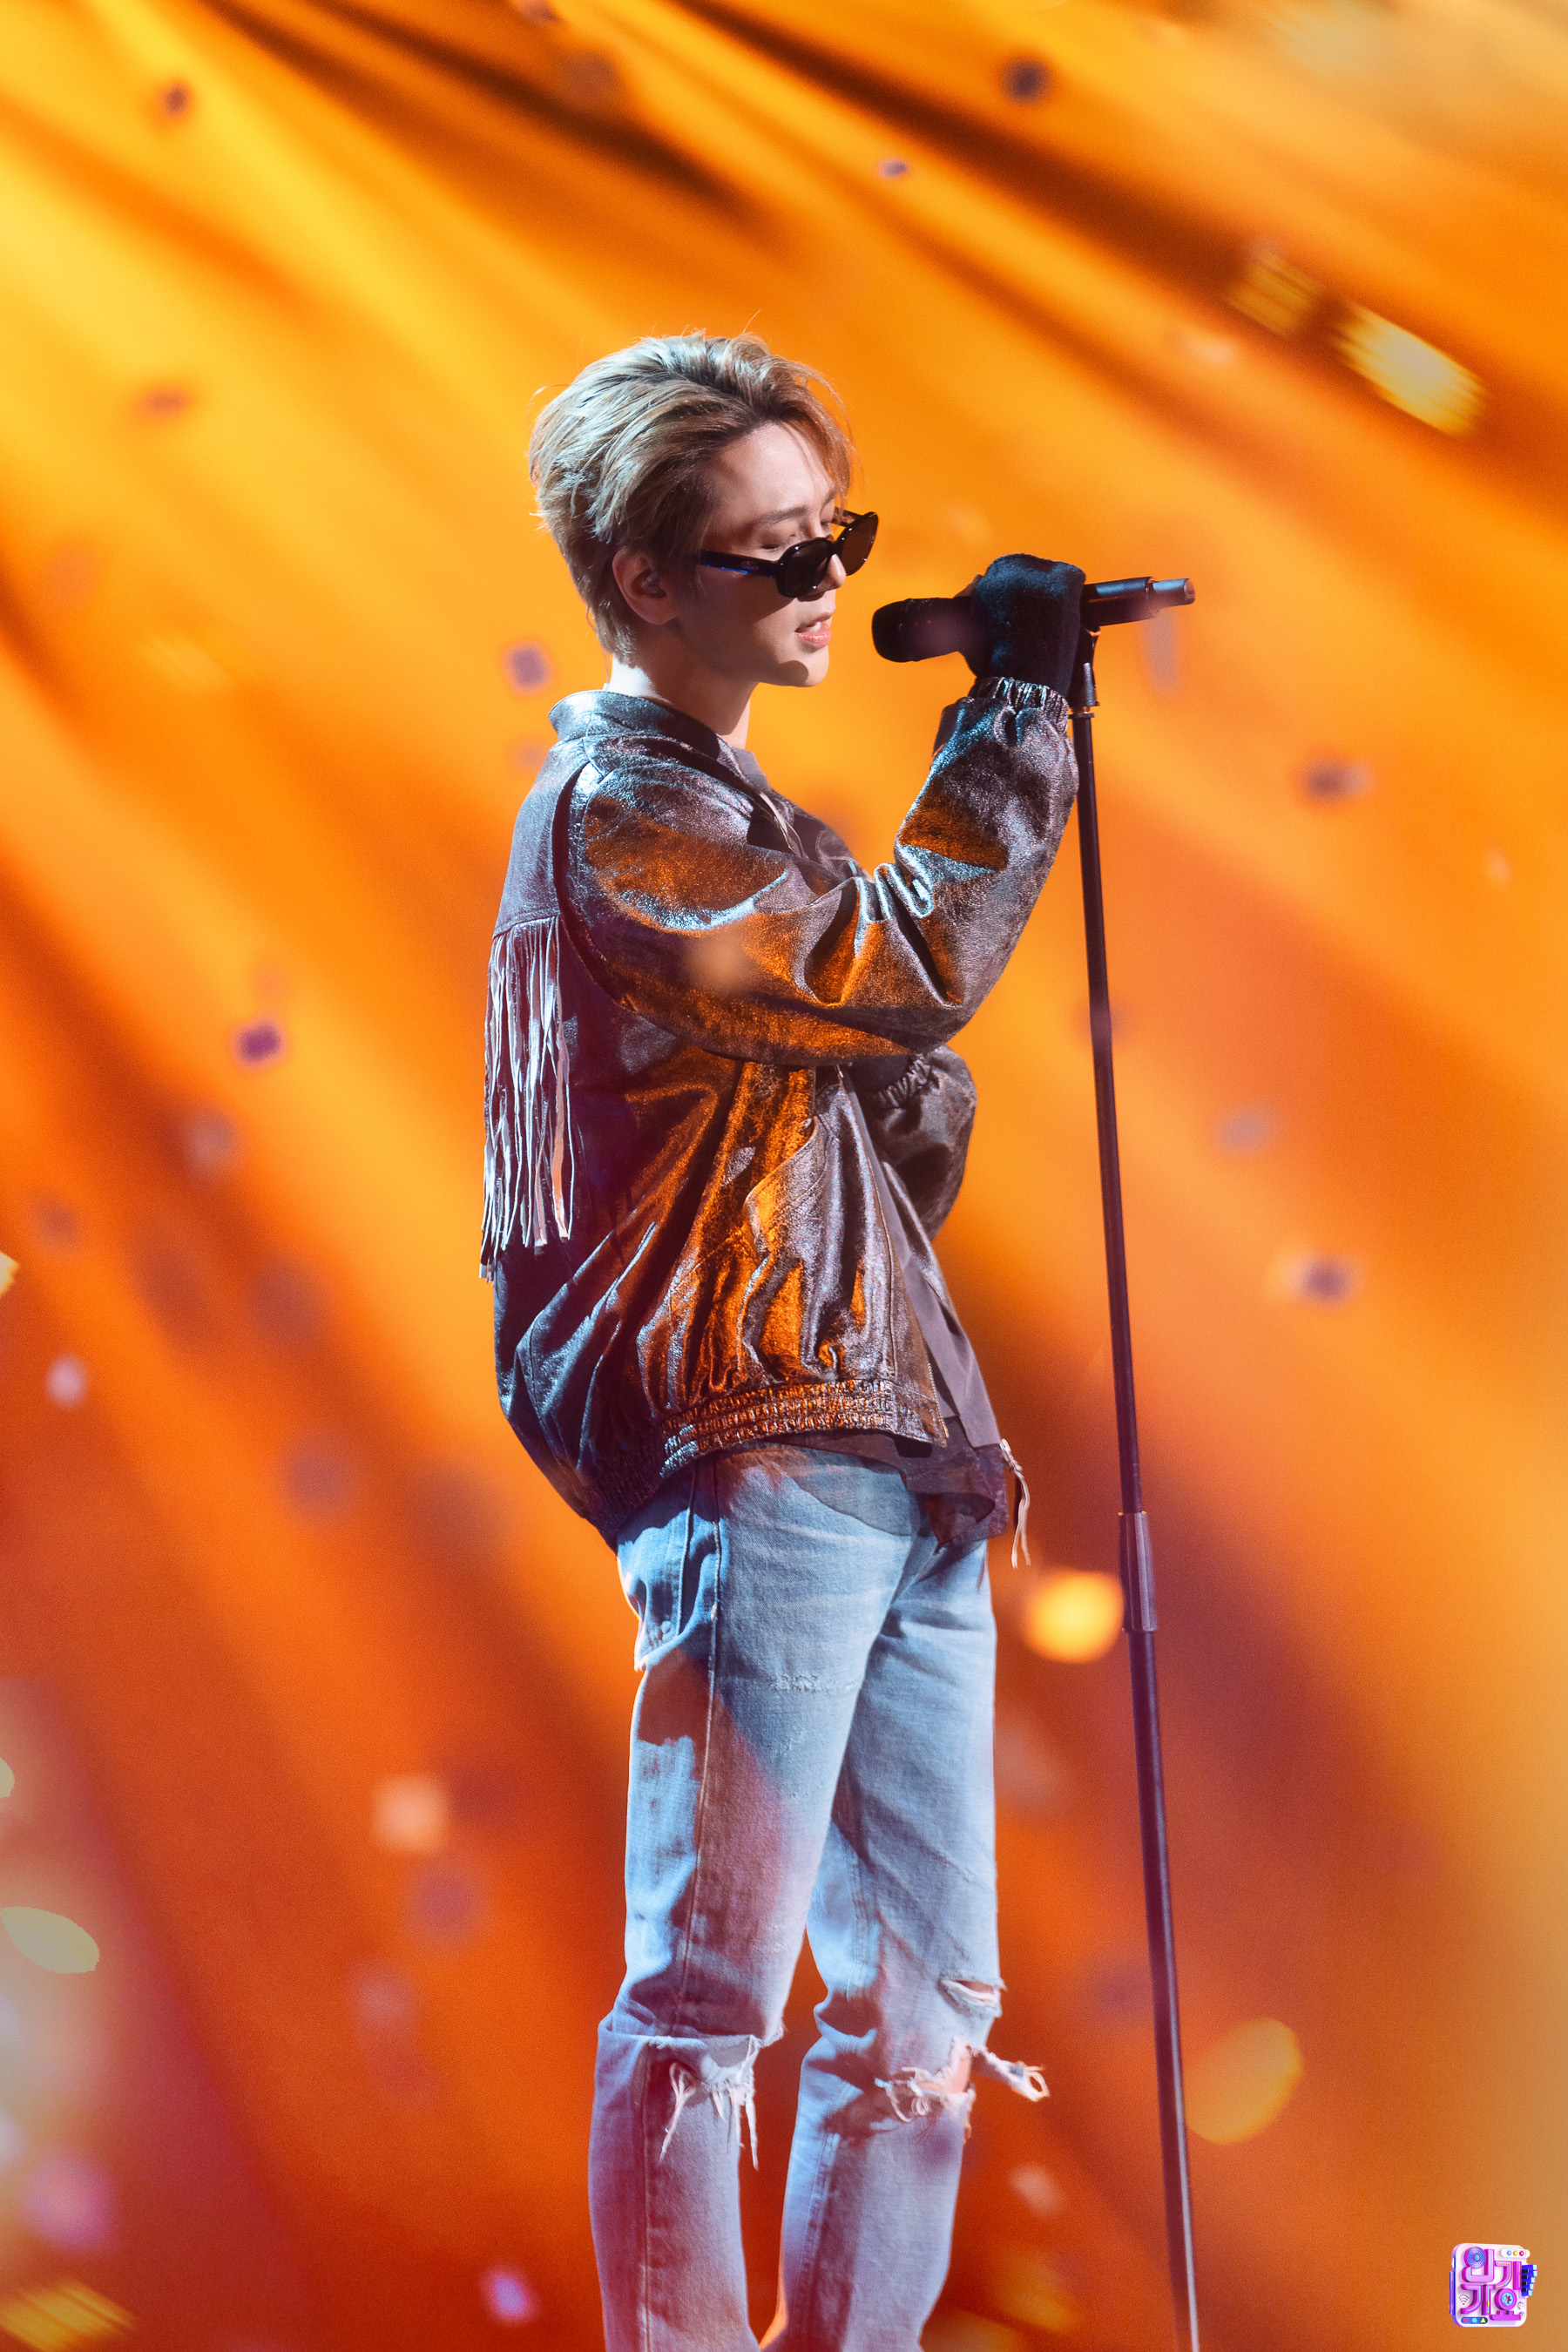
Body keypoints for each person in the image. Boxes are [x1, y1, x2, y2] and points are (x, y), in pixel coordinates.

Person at [483, 331, 1084, 2351]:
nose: (829, 581)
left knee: (925, 2003)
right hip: (764, 1450)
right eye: (778, 550)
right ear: (646, 577)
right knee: (714, 1991)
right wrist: (1015, 716)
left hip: (898, 1450)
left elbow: (888, 1114)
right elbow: (904, 964)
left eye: (844, 536)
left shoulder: (748, 822)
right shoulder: (626, 814)